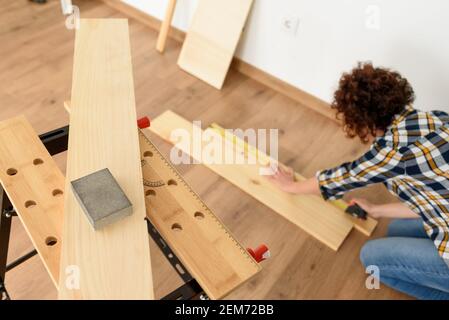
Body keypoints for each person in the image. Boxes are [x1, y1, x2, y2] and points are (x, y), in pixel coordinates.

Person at [268, 62, 449, 299]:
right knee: (395, 229)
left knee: (371, 258)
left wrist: (290, 186)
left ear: (363, 122)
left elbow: (336, 179)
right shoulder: (435, 119)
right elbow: (432, 198)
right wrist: (376, 209)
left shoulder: (390, 152)